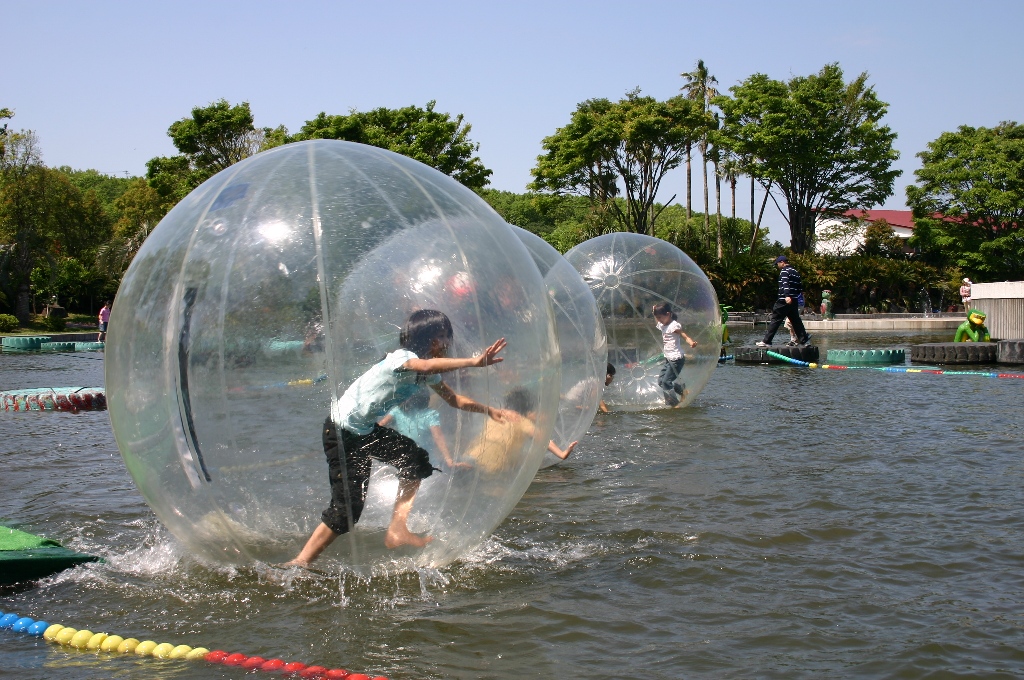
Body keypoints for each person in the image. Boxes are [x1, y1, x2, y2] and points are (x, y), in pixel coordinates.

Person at [287, 309, 509, 567]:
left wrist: (490, 410)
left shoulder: (428, 374)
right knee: (347, 510)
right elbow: (424, 364)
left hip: (365, 431)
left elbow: (455, 399)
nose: (446, 342)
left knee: (415, 460)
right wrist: (473, 362)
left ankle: (397, 529)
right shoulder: (402, 358)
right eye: (441, 335)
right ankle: (300, 561)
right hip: (341, 432)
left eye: (447, 335)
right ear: (424, 338)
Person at [464, 387, 577, 473]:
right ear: (527, 408)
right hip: (490, 468)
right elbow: (544, 440)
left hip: (469, 459)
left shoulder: (496, 415)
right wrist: (562, 454)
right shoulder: (522, 422)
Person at [377, 388, 468, 471]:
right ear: (426, 400)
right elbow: (438, 437)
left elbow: (379, 427)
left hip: (402, 459)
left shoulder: (398, 411)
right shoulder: (430, 415)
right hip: (425, 461)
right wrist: (449, 460)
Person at [757, 255, 811, 348]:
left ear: (782, 262)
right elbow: (800, 288)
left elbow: (785, 284)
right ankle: (805, 341)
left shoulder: (784, 271)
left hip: (784, 300)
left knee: (775, 319)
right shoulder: (795, 272)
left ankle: (767, 341)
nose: (777, 266)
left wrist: (787, 296)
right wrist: (793, 296)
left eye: (777, 264)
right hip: (794, 300)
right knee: (796, 321)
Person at [652, 303, 697, 407]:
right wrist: (653, 311)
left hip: (676, 359)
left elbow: (684, 335)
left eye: (660, 317)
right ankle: (682, 391)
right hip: (669, 359)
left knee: (666, 382)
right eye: (657, 317)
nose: (658, 320)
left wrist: (691, 342)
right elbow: (657, 319)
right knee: (661, 381)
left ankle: (674, 404)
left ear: (668, 314)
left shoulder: (674, 325)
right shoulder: (663, 325)